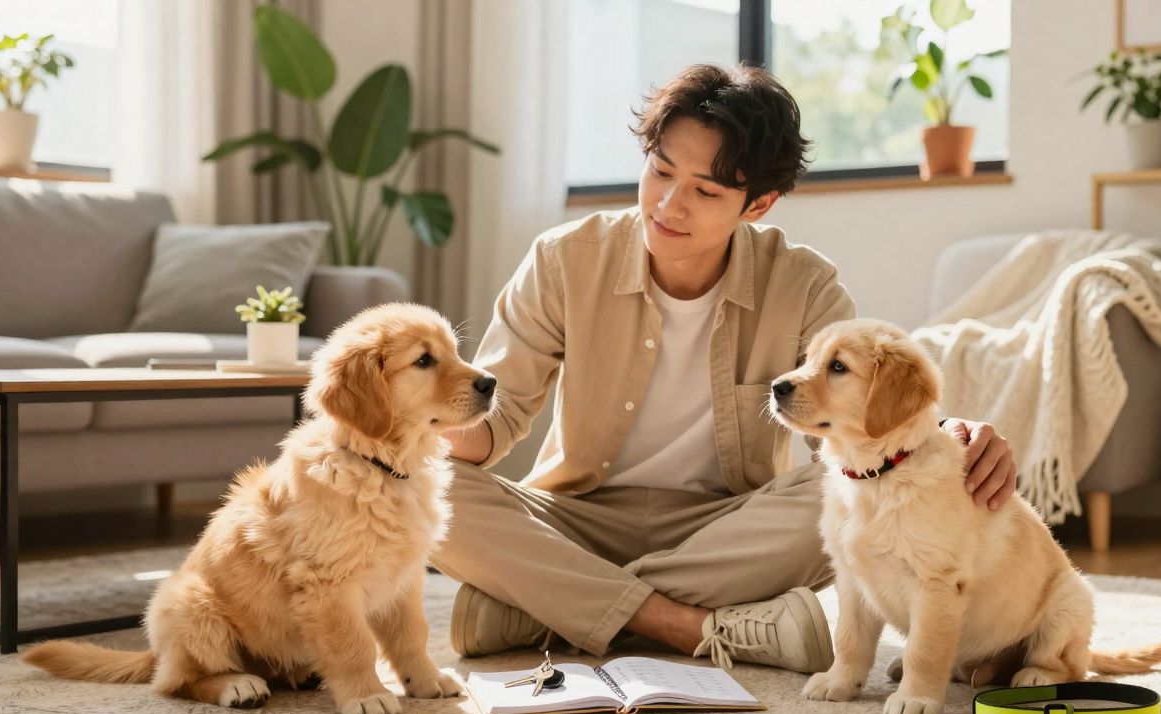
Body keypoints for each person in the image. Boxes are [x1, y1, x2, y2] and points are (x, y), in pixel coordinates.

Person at [428, 63, 1016, 673]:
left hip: (728, 528)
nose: (668, 205)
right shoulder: (562, 261)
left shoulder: (804, 284)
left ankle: (541, 607)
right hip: (578, 518)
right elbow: (491, 426)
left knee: (834, 496)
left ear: (757, 204)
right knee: (424, 482)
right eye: (660, 171)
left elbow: (859, 426)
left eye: (705, 192)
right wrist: (417, 424)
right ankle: (684, 625)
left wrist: (945, 437)